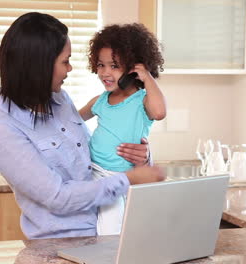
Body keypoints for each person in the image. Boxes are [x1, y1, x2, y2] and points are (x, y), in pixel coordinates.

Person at [0, 12, 165, 240]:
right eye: (65, 62)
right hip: (63, 247)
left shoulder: (59, 99)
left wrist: (141, 157)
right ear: (39, 66)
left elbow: (93, 154)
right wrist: (130, 178)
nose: (70, 69)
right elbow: (58, 197)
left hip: (104, 232)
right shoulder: (1, 128)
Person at [78, 23, 166, 235]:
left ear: (134, 68)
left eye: (114, 66)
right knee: (102, 223)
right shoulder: (100, 100)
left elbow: (159, 112)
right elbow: (73, 120)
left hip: (120, 176)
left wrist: (148, 78)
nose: (105, 73)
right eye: (101, 65)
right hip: (94, 170)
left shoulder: (141, 100)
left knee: (113, 228)